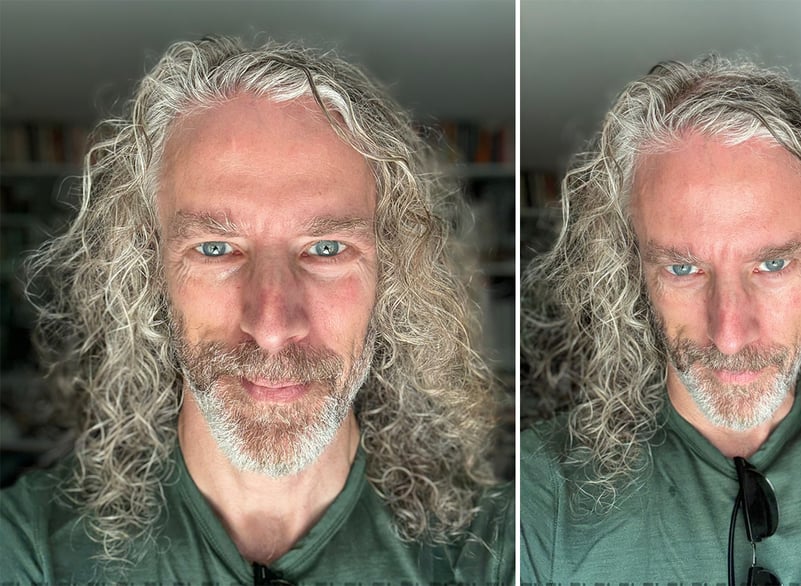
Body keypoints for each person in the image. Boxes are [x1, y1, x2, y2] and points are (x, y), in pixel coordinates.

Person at [1, 37, 513, 583]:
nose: (271, 326)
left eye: (327, 249)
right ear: (149, 272)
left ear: (393, 276)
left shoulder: (495, 553)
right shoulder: (31, 549)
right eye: (216, 248)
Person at [520, 55, 801, 584]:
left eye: (773, 263)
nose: (729, 334)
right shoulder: (539, 493)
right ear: (633, 272)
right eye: (683, 268)